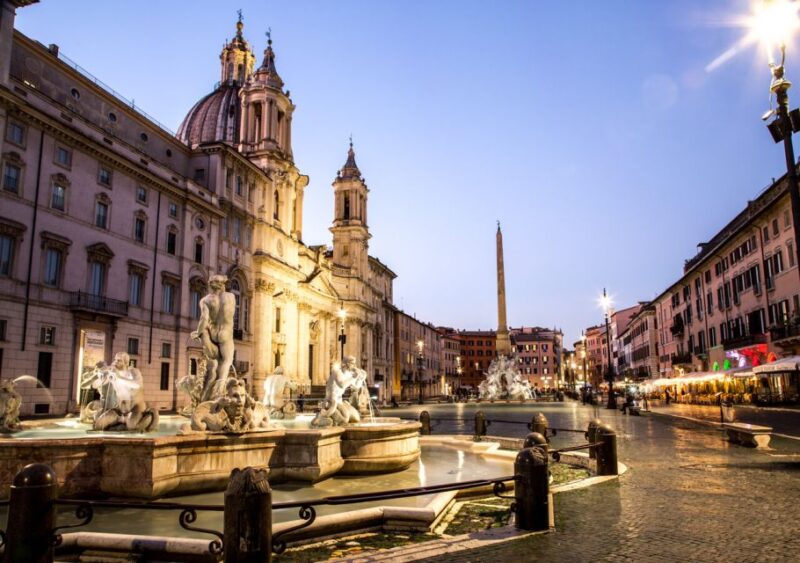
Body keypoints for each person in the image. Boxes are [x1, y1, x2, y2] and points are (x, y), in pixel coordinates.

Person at [191, 275, 236, 402]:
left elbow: (204, 319)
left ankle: (206, 393)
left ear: (210, 285)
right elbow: (231, 314)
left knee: (214, 363)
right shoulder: (230, 297)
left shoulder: (205, 300)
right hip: (226, 333)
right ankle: (219, 390)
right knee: (227, 361)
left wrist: (198, 332)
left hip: (212, 332)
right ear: (223, 284)